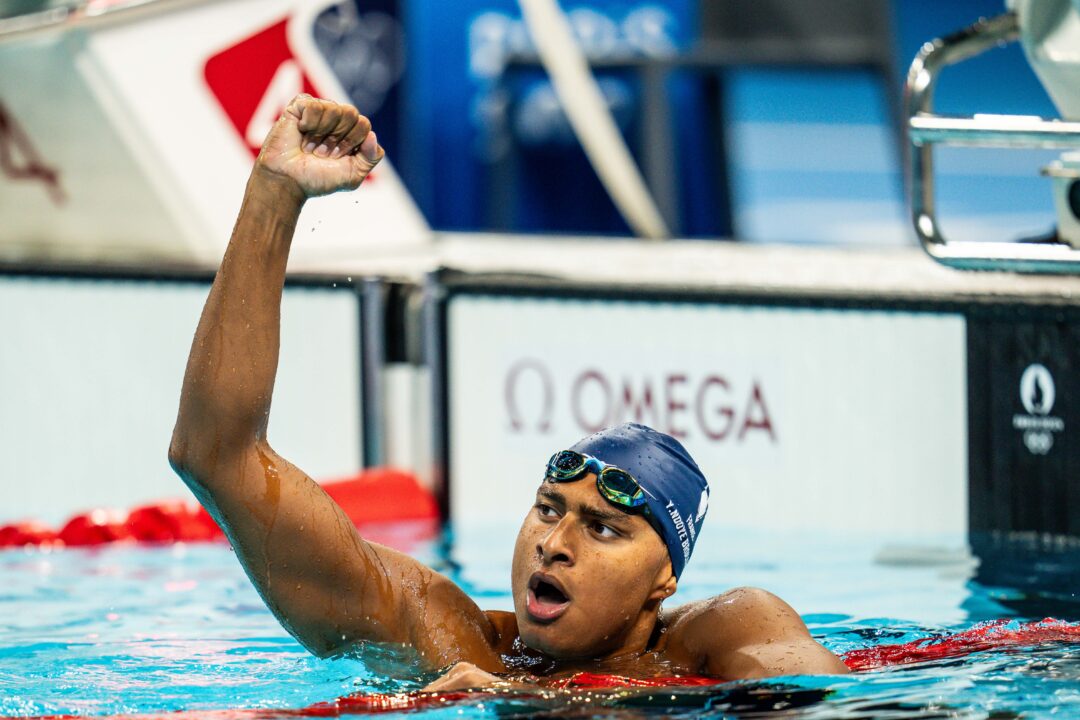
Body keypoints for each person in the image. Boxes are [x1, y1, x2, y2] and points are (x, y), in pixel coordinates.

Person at [169, 95, 849, 691]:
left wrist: (545, 703)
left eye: (604, 528)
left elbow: (812, 693)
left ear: (662, 582)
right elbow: (216, 455)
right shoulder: (444, 636)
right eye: (549, 508)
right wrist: (273, 193)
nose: (555, 543)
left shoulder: (723, 629)